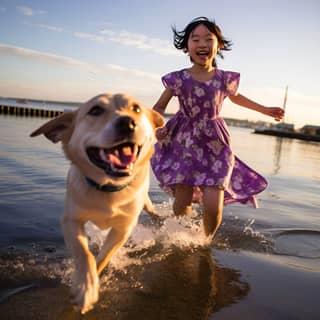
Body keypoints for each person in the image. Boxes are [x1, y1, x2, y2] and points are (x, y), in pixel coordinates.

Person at [151, 17, 284, 238]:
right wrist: (156, 126)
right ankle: (179, 239)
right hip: (183, 140)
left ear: (218, 45)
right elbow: (159, 107)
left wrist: (265, 110)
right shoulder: (178, 78)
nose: (202, 43)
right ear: (187, 47)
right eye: (195, 39)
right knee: (182, 200)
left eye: (208, 39)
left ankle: (205, 243)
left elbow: (238, 98)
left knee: (213, 205)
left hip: (216, 143)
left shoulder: (224, 79)